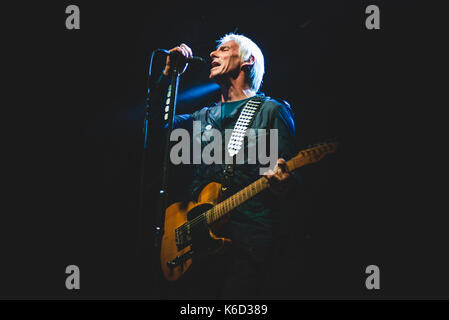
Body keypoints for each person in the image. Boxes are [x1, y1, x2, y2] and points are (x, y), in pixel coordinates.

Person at [156, 33, 300, 299]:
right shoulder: (202, 116)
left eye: (223, 49)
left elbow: (287, 178)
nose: (212, 54)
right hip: (198, 247)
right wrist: (169, 78)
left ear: (248, 61)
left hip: (246, 246)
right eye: (214, 51)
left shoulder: (270, 111)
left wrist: (285, 184)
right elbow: (155, 129)